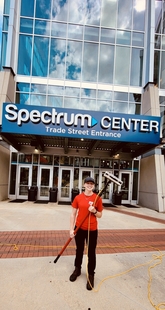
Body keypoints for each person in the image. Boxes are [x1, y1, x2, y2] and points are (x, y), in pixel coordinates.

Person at [69, 176, 103, 290]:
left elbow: (100, 215)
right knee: (79, 249)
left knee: (91, 252)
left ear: (94, 186)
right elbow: (73, 214)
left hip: (92, 230)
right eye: (87, 183)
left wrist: (94, 211)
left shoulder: (97, 198)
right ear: (84, 185)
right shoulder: (78, 197)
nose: (89, 185)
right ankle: (77, 269)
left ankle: (91, 275)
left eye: (91, 184)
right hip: (79, 228)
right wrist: (71, 229)